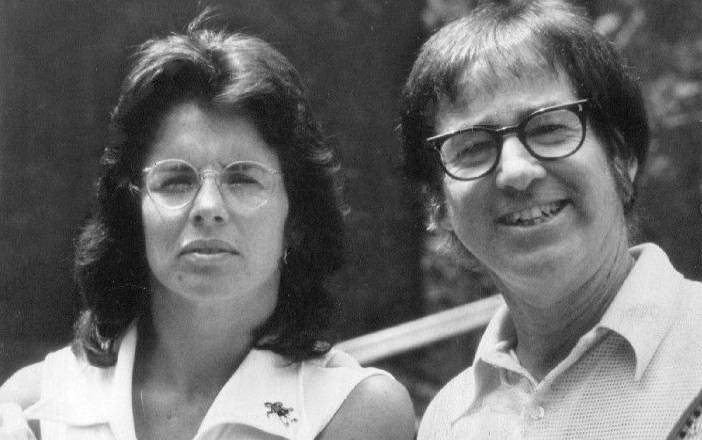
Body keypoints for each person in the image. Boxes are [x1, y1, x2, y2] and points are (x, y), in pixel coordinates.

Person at [0, 13, 415, 440]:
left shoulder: (353, 412)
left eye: (244, 179)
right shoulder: (35, 408)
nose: (209, 207)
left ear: (296, 215)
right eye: (175, 181)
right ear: (133, 212)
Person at [399, 0, 702, 438]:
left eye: (549, 129)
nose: (516, 171)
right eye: (472, 148)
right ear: (438, 207)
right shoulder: (447, 421)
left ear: (622, 156)